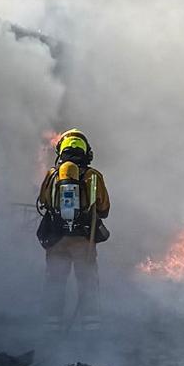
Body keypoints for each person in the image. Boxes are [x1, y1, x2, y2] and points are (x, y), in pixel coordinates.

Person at [36, 129, 111, 332]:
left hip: (56, 240)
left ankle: (51, 327)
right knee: (87, 282)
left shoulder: (52, 175)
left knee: (55, 281)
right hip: (83, 241)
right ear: (86, 151)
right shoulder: (94, 176)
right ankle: (91, 328)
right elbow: (104, 209)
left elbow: (43, 202)